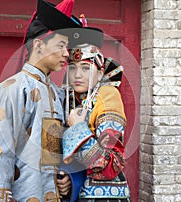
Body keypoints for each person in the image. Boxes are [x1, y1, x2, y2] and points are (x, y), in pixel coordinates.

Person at [0, 0, 83, 201]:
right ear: (39, 45)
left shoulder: (56, 94)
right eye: (61, 46)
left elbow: (56, 154)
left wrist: (65, 178)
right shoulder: (13, 89)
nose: (66, 54)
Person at [56, 27, 131, 202]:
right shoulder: (70, 99)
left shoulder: (107, 96)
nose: (77, 75)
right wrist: (68, 176)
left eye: (85, 68)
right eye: (73, 68)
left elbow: (111, 164)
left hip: (104, 195)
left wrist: (78, 128)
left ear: (99, 73)